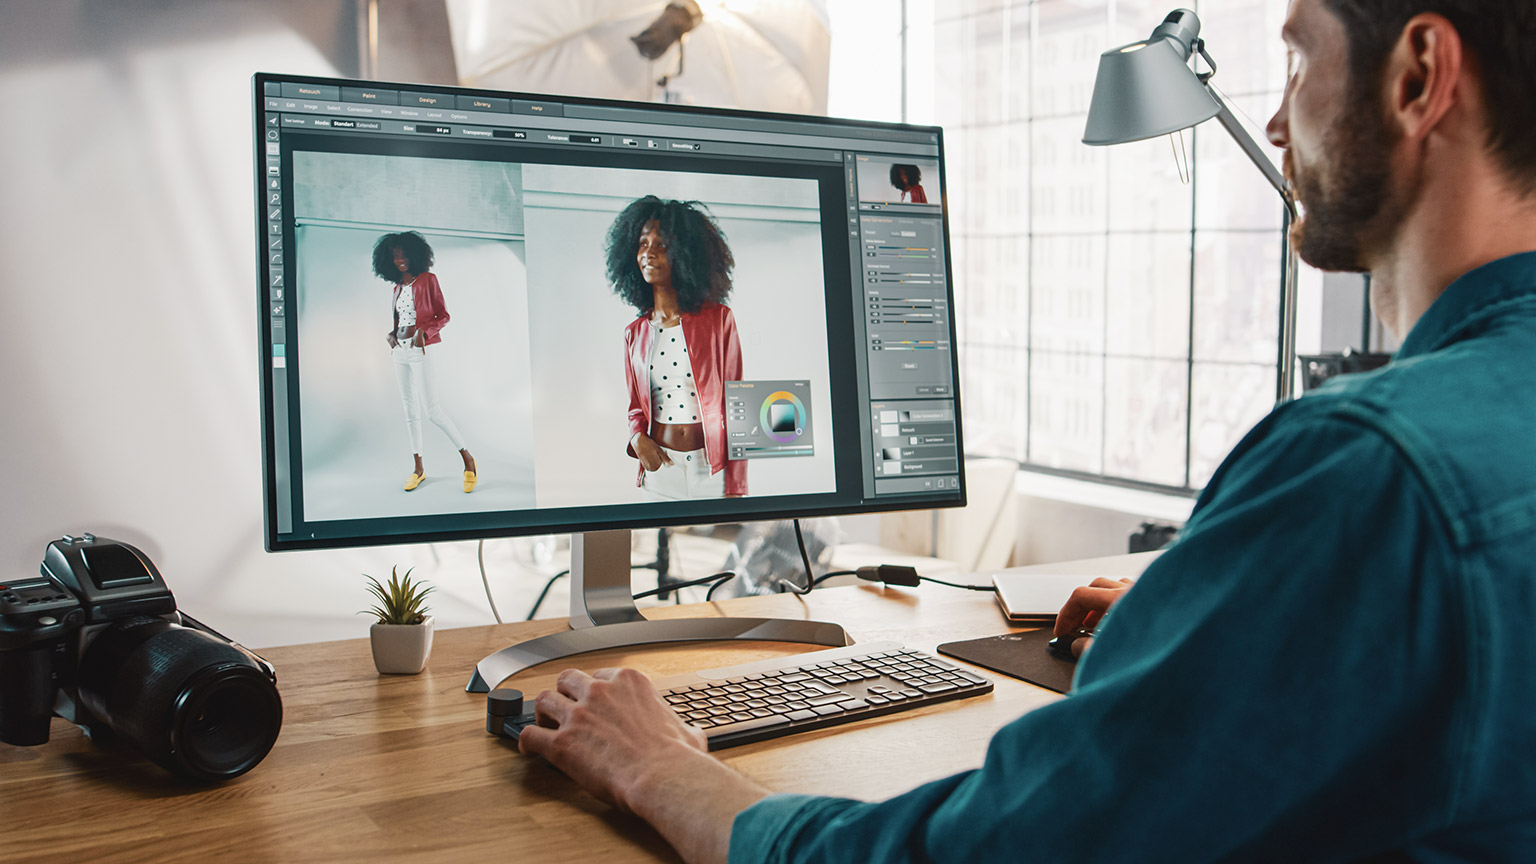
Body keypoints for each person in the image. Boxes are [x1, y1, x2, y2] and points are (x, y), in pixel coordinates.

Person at [516, 1, 1536, 860]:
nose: (1273, 120)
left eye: (1298, 52)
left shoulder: (1370, 468)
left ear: (1419, 76)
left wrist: (659, 769)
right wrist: (1215, 613)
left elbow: (997, 848)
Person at [608, 195, 746, 499]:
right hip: (659, 470)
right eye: (643, 244)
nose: (648, 254)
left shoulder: (719, 320)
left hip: (710, 470)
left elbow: (738, 406)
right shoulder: (634, 334)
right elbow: (635, 408)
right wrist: (636, 440)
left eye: (661, 245)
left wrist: (737, 486)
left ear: (685, 255)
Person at [372, 231, 477, 494]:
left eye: (404, 255)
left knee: (432, 411)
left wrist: (425, 333)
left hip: (422, 350)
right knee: (409, 411)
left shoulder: (428, 280)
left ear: (415, 254)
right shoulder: (397, 288)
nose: (400, 261)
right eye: (395, 257)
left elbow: (444, 315)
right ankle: (418, 469)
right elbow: (401, 319)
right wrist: (391, 334)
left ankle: (468, 460)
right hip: (400, 351)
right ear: (388, 261)